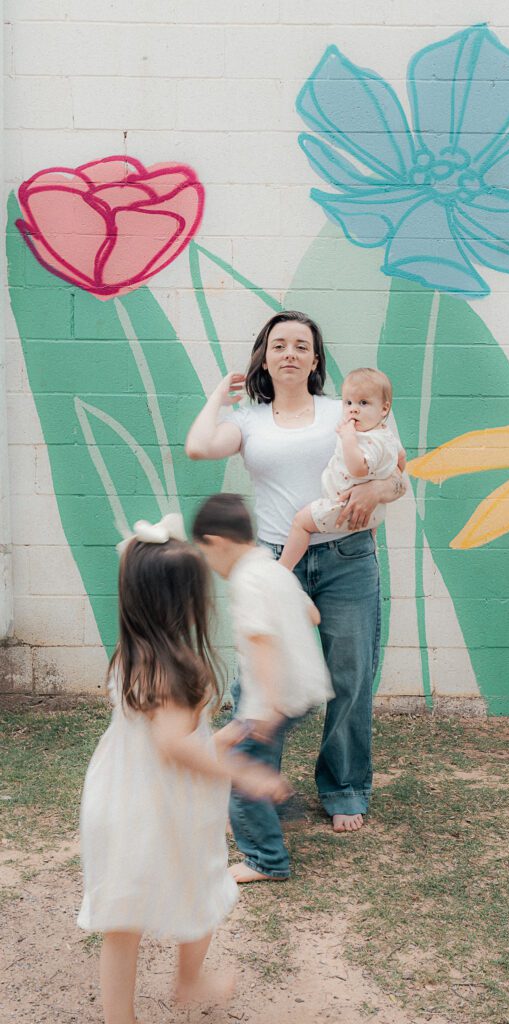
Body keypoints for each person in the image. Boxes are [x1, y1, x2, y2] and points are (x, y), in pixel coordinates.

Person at [185, 311, 406, 844]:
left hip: (346, 556)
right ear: (264, 355)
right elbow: (197, 446)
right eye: (278, 344)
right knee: (260, 680)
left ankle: (344, 788)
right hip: (273, 561)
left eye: (301, 346)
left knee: (350, 674)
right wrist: (218, 393)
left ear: (314, 359)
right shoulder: (249, 419)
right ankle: (258, 786)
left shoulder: (344, 410)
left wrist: (377, 491)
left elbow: (399, 471)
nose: (289, 353)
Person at [77, 514, 289, 1024]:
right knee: (201, 888)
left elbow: (163, 739)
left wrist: (221, 735)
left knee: (122, 919)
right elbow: (174, 745)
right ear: (184, 603)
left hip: (123, 797)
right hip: (162, 805)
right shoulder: (179, 667)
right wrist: (243, 770)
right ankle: (189, 982)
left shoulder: (134, 656)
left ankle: (119, 1017)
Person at [192, 492, 334, 883]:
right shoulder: (275, 571)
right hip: (303, 689)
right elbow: (313, 614)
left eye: (205, 555)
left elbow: (260, 641)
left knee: (241, 774)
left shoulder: (246, 580)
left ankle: (265, 859)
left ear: (216, 543)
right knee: (252, 763)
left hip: (271, 698)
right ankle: (275, 801)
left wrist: (267, 707)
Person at [279, 367, 406, 571]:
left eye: (363, 403)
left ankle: (281, 569)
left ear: (384, 409)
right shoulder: (384, 433)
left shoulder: (365, 439)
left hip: (343, 507)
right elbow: (401, 459)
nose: (353, 409)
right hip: (371, 515)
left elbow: (357, 468)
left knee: (300, 523)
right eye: (348, 403)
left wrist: (348, 438)